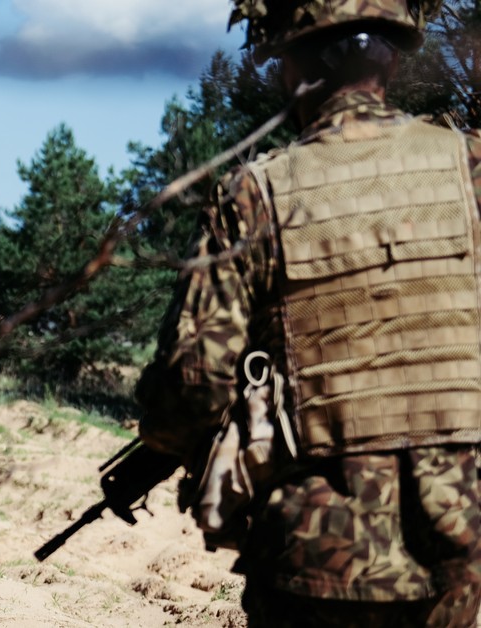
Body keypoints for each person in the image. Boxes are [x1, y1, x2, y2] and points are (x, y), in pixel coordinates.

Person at [136, 1, 481, 625]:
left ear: (291, 67)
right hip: (460, 537)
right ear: (393, 60)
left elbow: (194, 381)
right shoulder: (470, 169)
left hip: (315, 548)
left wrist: (178, 446)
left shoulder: (254, 195)